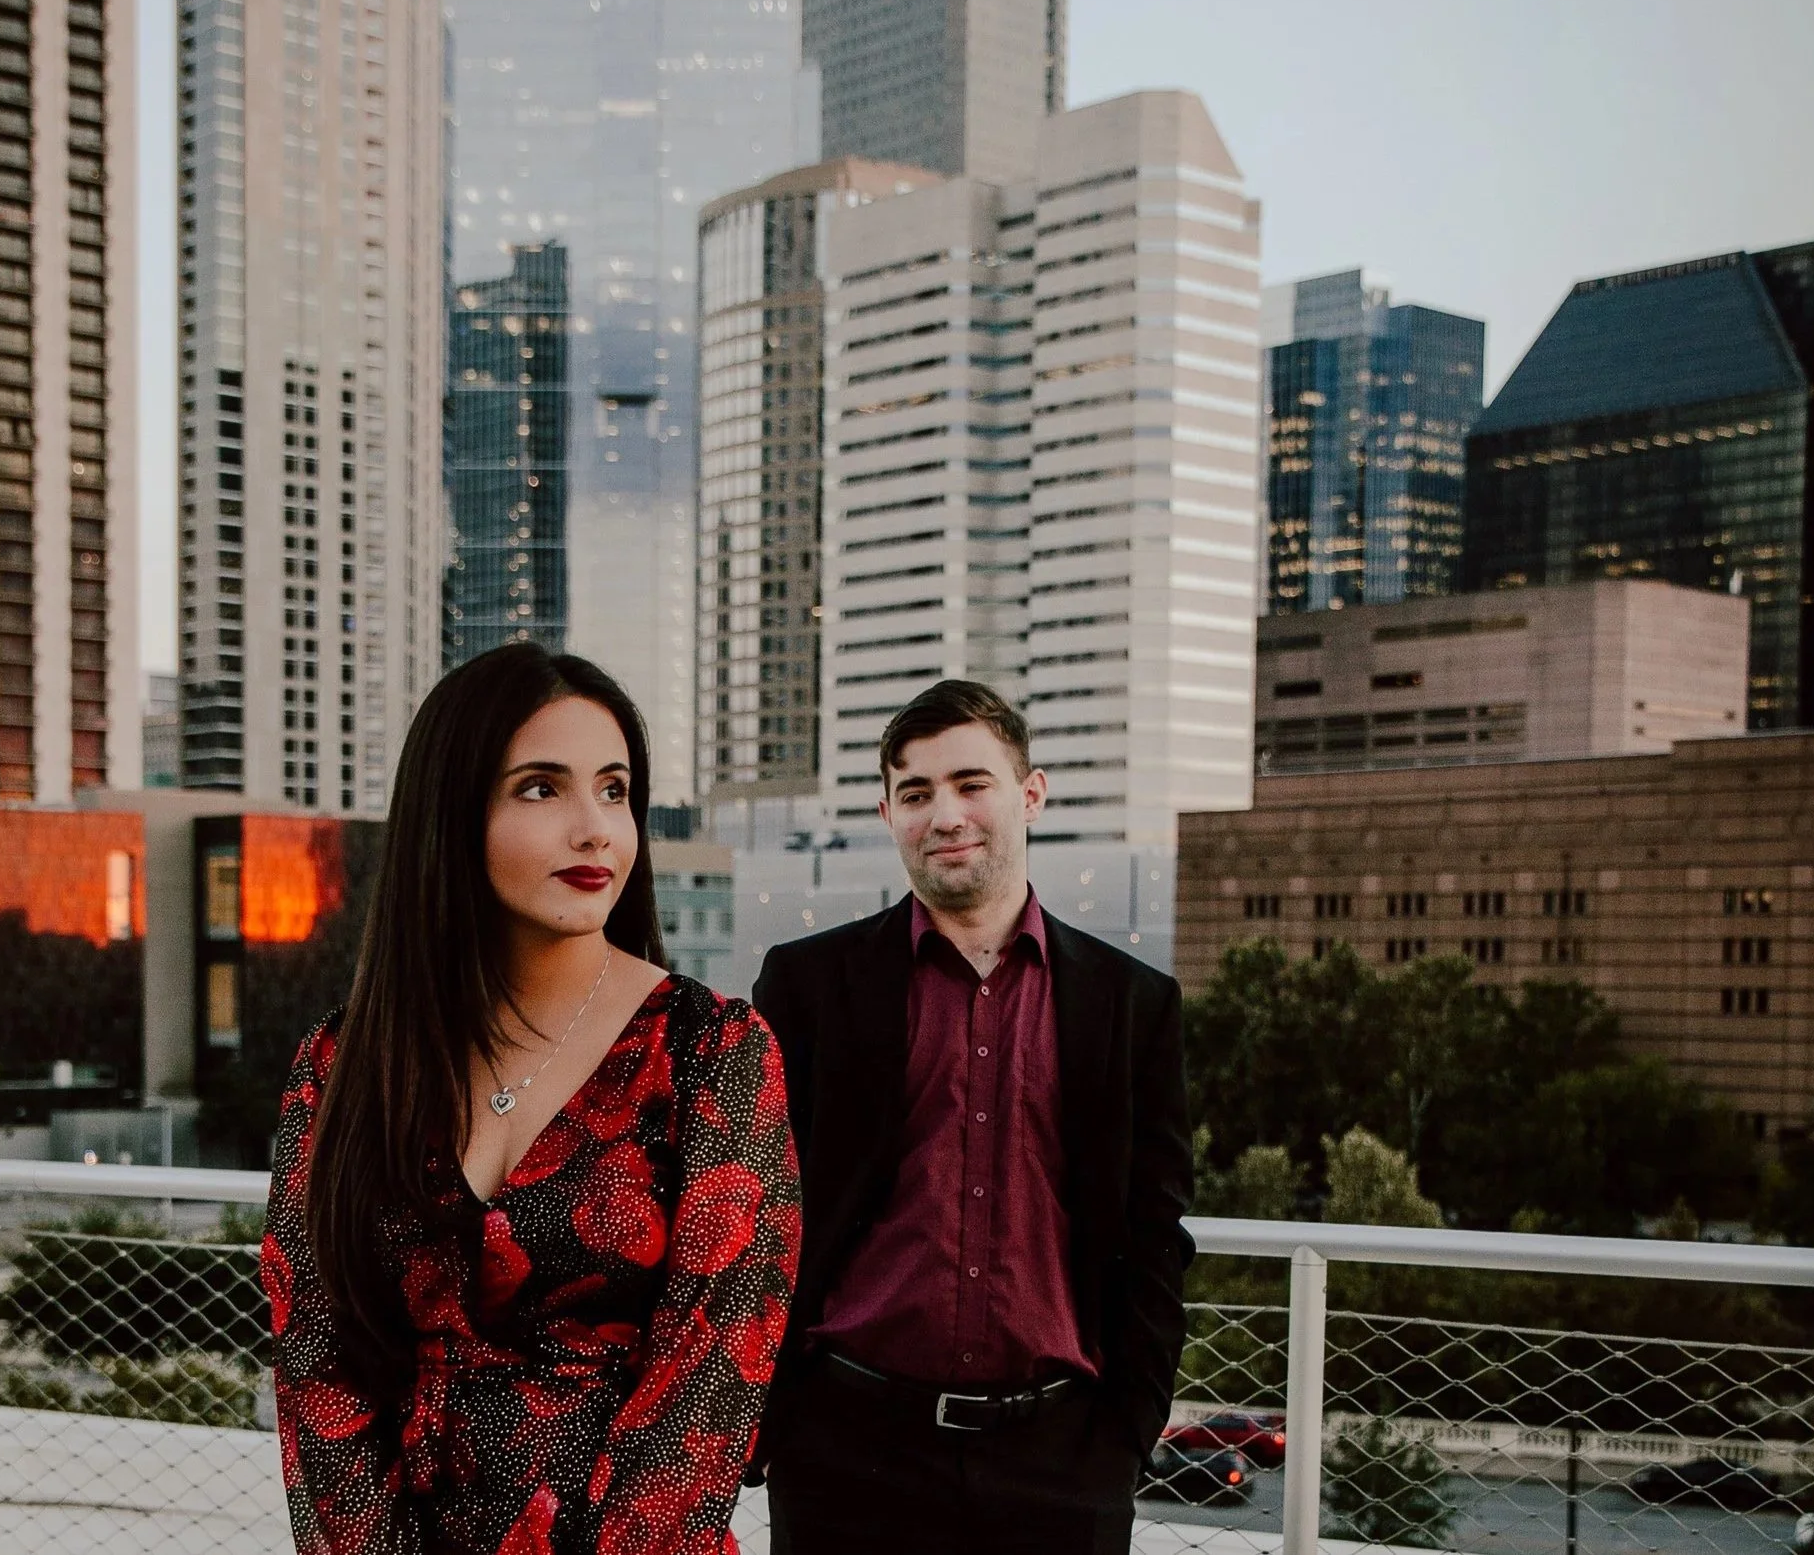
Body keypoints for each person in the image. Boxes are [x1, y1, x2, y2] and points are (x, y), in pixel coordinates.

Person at [261, 643, 801, 1555]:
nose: (596, 829)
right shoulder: (346, 1058)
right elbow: (317, 1349)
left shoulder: (713, 1055)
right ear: (452, 813)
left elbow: (710, 1384)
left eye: (615, 789)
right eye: (542, 788)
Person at [751, 680, 1194, 1554]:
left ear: (1030, 793)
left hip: (1060, 1459)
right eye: (916, 794)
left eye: (971, 783)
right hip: (849, 1450)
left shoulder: (1130, 1002)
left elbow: (1154, 1233)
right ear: (887, 814)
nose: (945, 815)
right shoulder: (808, 985)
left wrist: (1126, 1436)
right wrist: (778, 1417)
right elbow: (761, 1212)